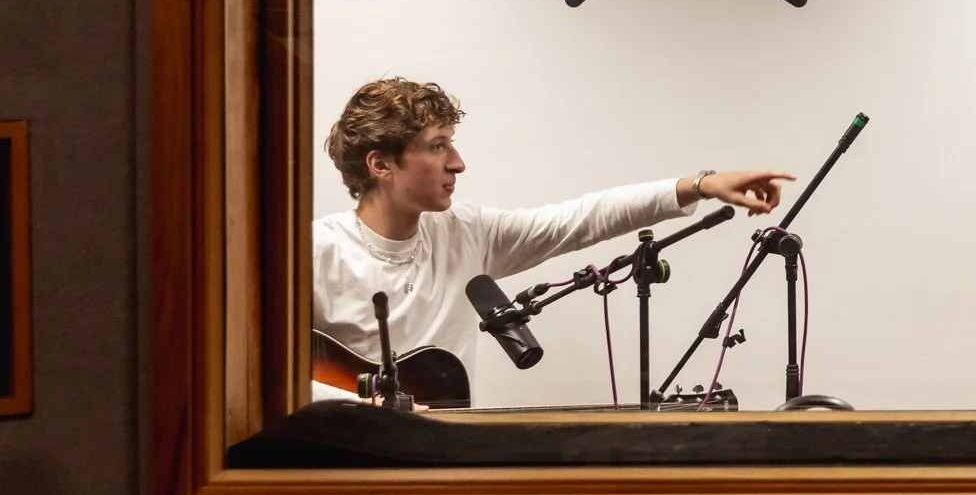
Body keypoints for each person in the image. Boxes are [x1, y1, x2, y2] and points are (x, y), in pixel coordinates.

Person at [311, 77, 792, 402]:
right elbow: (262, 377)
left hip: (442, 468)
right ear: (381, 164)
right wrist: (366, 406)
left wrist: (700, 185)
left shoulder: (467, 233)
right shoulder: (314, 253)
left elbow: (578, 219)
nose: (457, 162)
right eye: (438, 146)